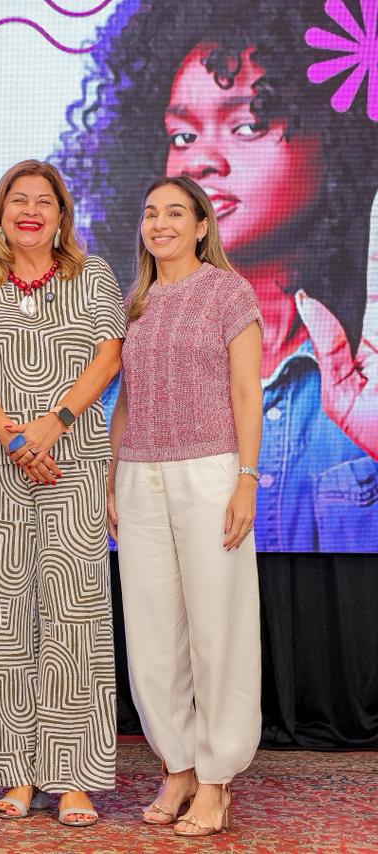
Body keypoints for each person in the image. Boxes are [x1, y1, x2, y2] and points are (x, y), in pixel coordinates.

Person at [56, 1, 378, 551]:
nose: (199, 162)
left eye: (248, 124)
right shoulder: (116, 365)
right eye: (181, 137)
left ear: (338, 136)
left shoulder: (365, 384)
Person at [0, 160, 124, 827]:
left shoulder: (93, 275)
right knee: (0, 617)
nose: (30, 211)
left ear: (61, 216)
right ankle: (15, 772)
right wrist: (15, 438)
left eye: (43, 201)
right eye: (17, 200)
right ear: (0, 214)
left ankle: (73, 778)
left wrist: (55, 423)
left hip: (73, 460)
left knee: (74, 616)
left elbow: (109, 354)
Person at [108, 176, 263, 838]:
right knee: (151, 635)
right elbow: (124, 397)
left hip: (211, 473)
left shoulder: (229, 291)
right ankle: (178, 766)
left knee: (218, 630)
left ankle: (217, 779)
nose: (160, 223)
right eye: (151, 213)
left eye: (175, 213)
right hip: (139, 476)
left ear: (202, 226)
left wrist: (246, 479)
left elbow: (246, 392)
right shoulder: (133, 302)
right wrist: (112, 477)